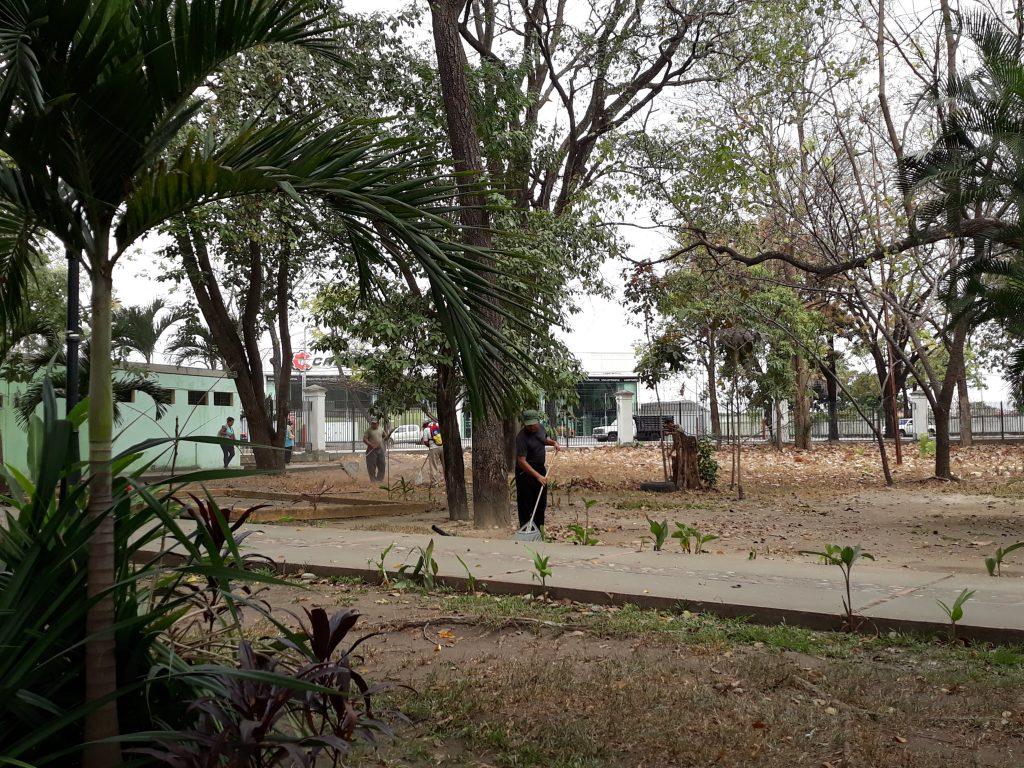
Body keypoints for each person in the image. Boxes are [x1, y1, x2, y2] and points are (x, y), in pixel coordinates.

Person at [515, 409, 560, 529]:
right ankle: (525, 529)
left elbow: (543, 439)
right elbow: (521, 461)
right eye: (528, 425)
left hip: (540, 469)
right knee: (526, 504)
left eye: (533, 424)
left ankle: (539, 530)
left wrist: (553, 443)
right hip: (525, 473)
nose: (531, 427)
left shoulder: (540, 428)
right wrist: (537, 476)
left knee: (540, 502)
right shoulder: (521, 438)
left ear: (537, 421)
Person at [420, 418, 443, 486]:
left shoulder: (426, 430)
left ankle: (435, 483)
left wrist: (430, 446)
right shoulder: (438, 426)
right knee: (445, 465)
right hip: (442, 447)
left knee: (433, 466)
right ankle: (447, 481)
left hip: (433, 449)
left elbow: (426, 441)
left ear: (425, 424)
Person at [363, 417, 387, 482]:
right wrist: (371, 445)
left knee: (382, 464)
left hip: (380, 450)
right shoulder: (368, 430)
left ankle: (380, 479)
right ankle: (373, 480)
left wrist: (388, 436)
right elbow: (364, 439)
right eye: (372, 423)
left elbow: (385, 437)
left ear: (378, 424)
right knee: (371, 466)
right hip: (371, 451)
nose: (373, 425)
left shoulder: (381, 429)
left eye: (375, 423)